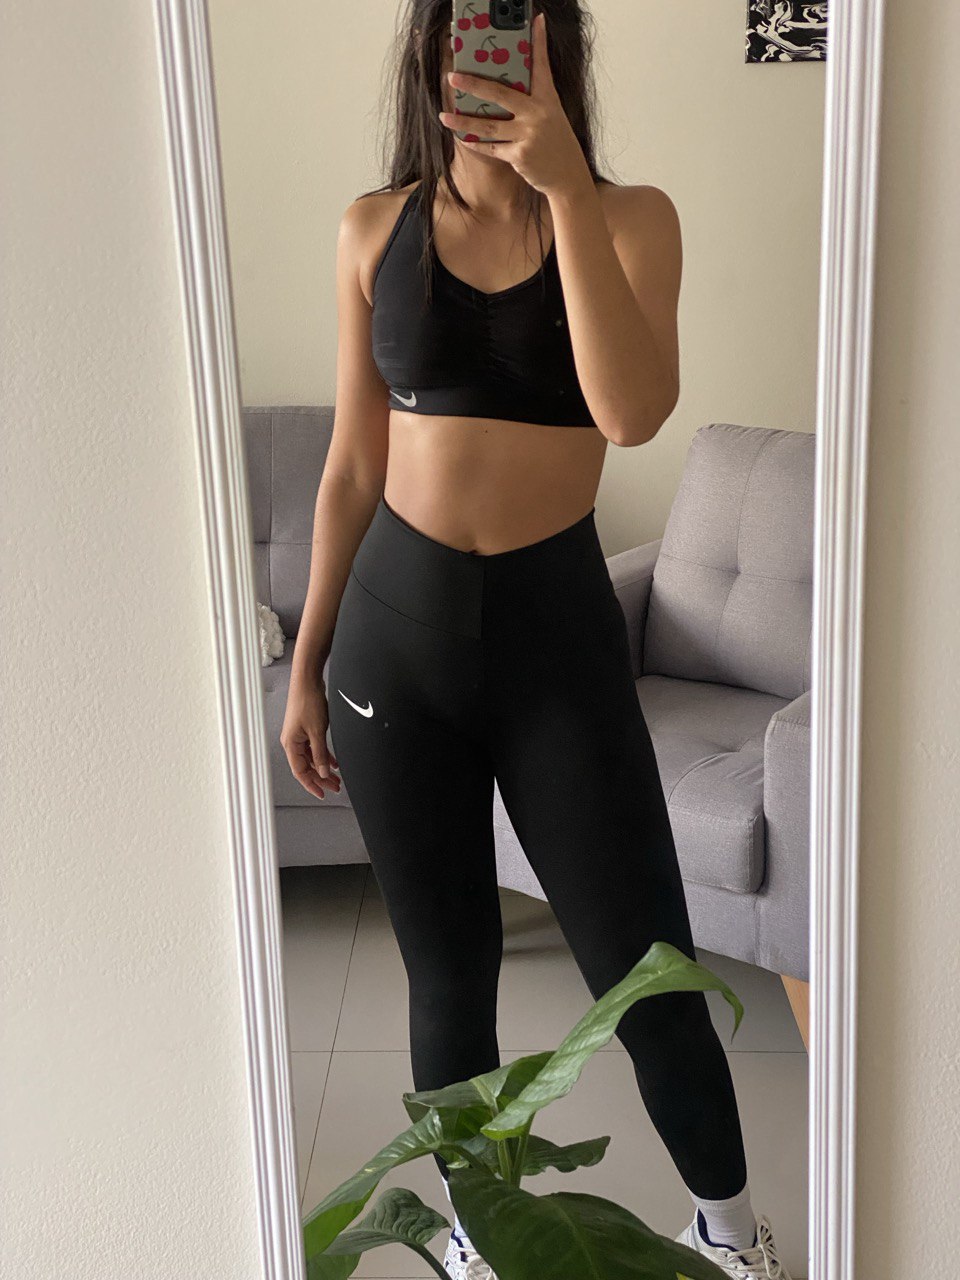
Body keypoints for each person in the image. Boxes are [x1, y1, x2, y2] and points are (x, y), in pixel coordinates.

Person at [280, 4, 791, 1278]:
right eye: (464, 38)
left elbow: (630, 413)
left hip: (556, 646)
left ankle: (733, 1233)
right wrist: (308, 659)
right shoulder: (372, 229)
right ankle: (474, 1231)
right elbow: (352, 466)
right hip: (392, 651)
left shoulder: (629, 219)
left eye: (517, 39)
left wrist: (561, 188)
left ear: (556, 60)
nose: (487, 65)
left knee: (645, 967)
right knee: (445, 973)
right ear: (432, 59)